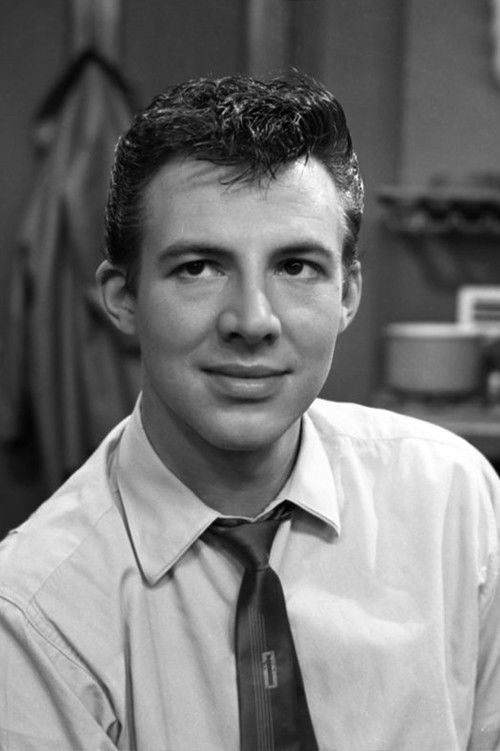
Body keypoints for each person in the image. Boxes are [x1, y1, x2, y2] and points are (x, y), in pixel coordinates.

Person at [0, 72, 499, 751]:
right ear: (122, 297)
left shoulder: (456, 504)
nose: (253, 320)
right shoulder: (33, 611)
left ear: (347, 293)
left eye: (295, 267)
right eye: (199, 267)